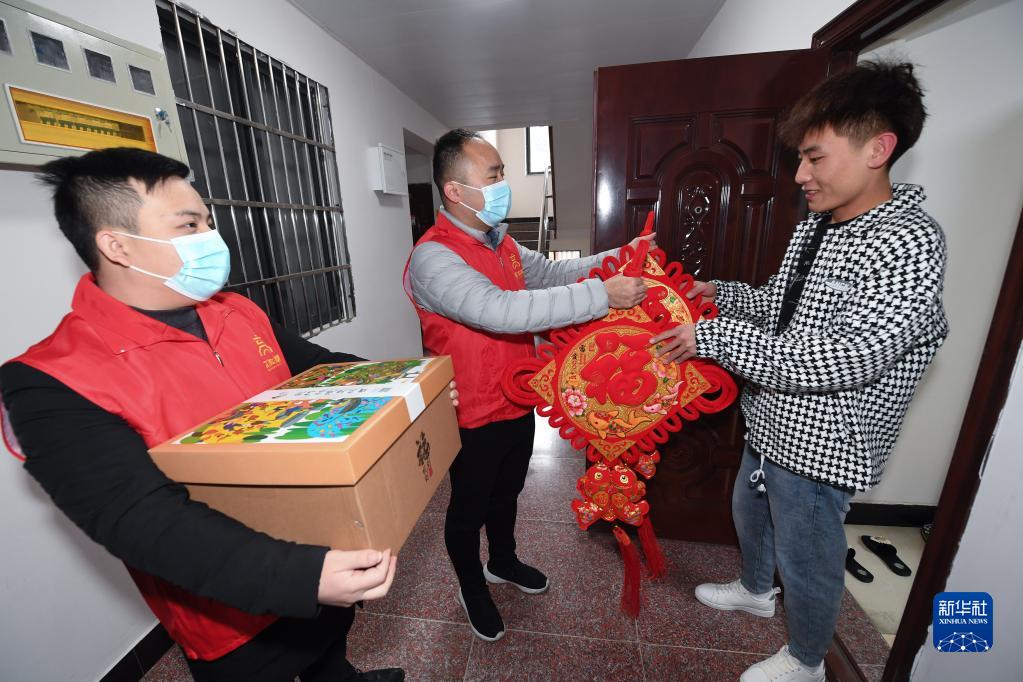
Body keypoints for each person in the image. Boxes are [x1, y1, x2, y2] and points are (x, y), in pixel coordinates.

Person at [0, 147, 456, 681]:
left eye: (208, 222)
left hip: (321, 549)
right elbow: (142, 521)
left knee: (331, 653)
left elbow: (324, 369)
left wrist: (415, 392)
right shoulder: (48, 380)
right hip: (235, 614)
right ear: (117, 245)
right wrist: (304, 575)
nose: (211, 238)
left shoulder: (236, 311)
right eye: (189, 225)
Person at [649, 61, 948, 682]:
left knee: (808, 555)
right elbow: (782, 309)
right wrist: (722, 293)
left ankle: (807, 660)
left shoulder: (908, 242)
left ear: (877, 150)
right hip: (773, 418)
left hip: (825, 442)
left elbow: (841, 357)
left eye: (814, 158)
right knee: (750, 510)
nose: (800, 175)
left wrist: (711, 337)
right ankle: (757, 590)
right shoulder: (820, 225)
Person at [404, 129, 652, 642]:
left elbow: (554, 275)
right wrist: (602, 296)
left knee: (508, 493)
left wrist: (620, 255)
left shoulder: (502, 242)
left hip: (516, 397)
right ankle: (472, 586)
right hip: (469, 410)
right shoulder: (434, 257)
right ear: (455, 191)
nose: (504, 184)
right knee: (468, 507)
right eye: (494, 175)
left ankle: (503, 560)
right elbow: (500, 311)